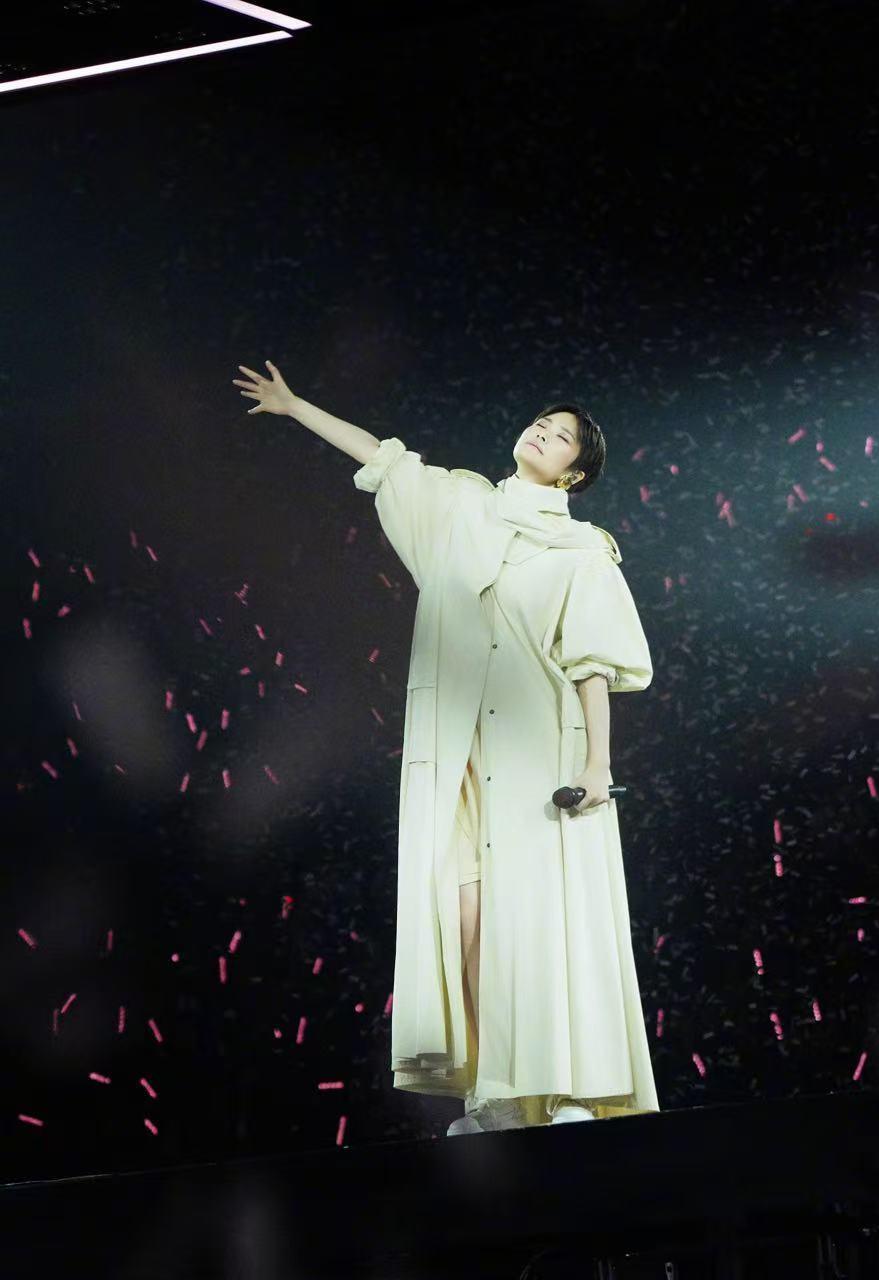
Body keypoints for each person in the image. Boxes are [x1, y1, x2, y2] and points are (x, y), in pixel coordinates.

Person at [233, 360, 662, 1136]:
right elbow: (383, 460)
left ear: (576, 473)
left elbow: (592, 663)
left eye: (562, 436)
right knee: (464, 917)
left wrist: (598, 764)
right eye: (542, 421)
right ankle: (492, 1093)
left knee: (542, 912)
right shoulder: (463, 503)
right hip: (455, 746)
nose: (543, 432)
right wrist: (295, 407)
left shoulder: (582, 550)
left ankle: (563, 1086)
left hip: (538, 746)